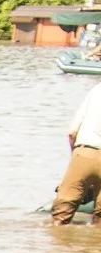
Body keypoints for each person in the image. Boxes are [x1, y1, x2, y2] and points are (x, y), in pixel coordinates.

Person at [52, 80, 101, 225]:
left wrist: (77, 157)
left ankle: (58, 244)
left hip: (86, 152)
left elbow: (72, 133)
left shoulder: (96, 90)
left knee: (61, 214)